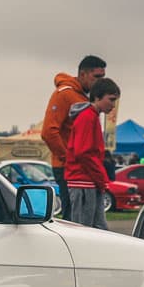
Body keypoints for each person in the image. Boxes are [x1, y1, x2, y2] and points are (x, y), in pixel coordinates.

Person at [43, 54, 106, 218]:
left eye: (103, 77)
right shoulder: (64, 94)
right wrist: (68, 157)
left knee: (85, 215)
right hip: (68, 167)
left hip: (80, 167)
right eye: (96, 77)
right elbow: (49, 132)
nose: (100, 81)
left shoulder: (84, 97)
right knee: (74, 217)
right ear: (83, 74)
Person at [65, 78, 120, 229]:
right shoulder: (87, 117)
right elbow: (83, 153)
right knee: (85, 230)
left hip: (88, 181)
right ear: (97, 97)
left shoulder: (92, 116)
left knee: (98, 228)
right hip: (83, 181)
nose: (113, 105)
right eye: (111, 99)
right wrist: (101, 178)